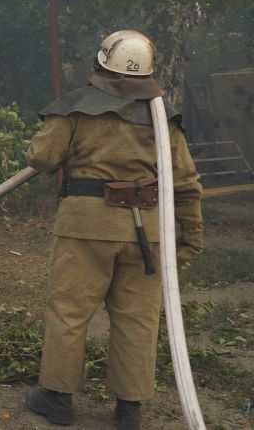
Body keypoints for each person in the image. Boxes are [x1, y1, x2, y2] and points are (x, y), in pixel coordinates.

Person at [24, 30, 204, 429]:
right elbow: (187, 182)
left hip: (85, 228)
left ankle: (57, 399)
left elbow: (42, 156)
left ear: (100, 64)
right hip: (148, 233)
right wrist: (190, 237)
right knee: (138, 318)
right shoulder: (164, 119)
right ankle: (129, 409)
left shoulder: (74, 108)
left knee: (69, 311)